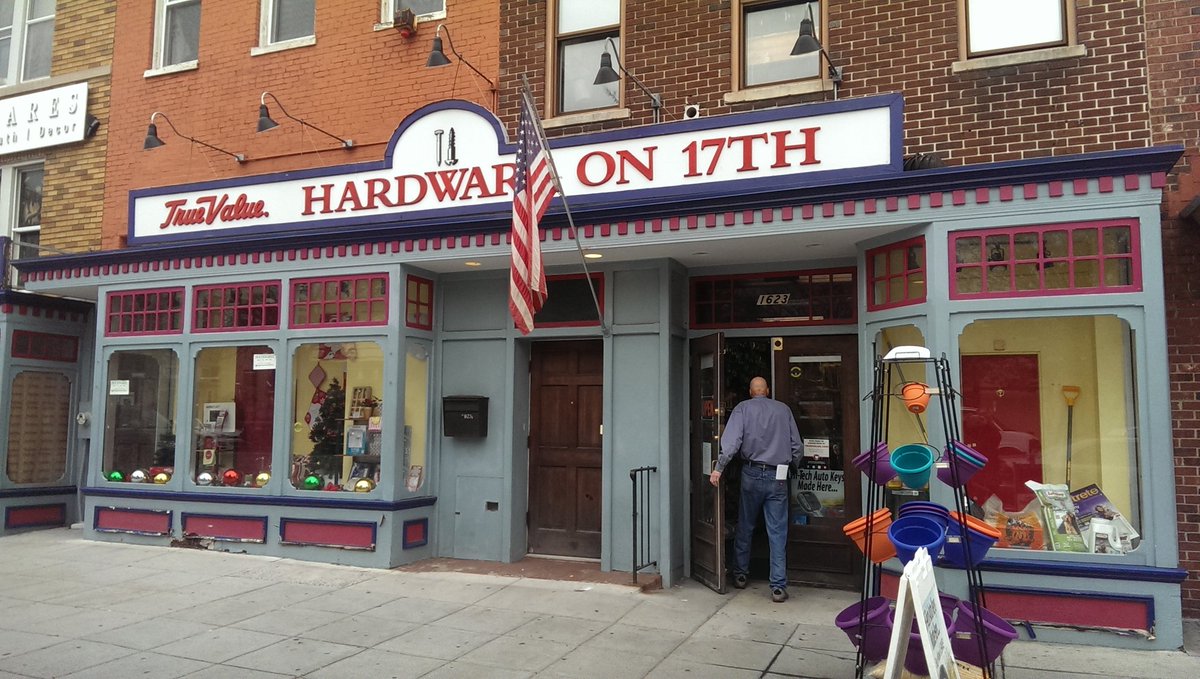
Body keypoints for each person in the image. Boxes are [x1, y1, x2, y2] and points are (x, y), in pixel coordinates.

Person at [709, 376, 802, 603]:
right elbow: (796, 446)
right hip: (777, 475)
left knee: (746, 524)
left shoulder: (742, 409)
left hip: (750, 473)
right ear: (767, 390)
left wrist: (719, 468)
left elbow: (732, 442)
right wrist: (793, 467)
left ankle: (740, 574)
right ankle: (778, 587)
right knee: (777, 531)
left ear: (751, 392)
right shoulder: (783, 410)